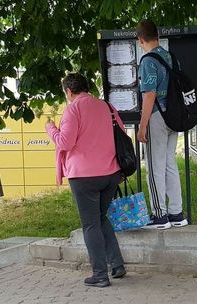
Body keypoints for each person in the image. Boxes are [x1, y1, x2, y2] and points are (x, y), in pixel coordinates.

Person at [45, 73, 126, 287]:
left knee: (90, 225)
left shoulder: (74, 109)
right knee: (100, 218)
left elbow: (65, 142)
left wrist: (50, 128)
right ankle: (117, 264)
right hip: (111, 173)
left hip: (84, 176)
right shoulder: (106, 106)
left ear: (69, 91)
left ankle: (100, 275)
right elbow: (122, 131)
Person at [136, 19, 188, 229]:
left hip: (156, 116)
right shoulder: (171, 57)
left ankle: (159, 215)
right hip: (173, 116)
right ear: (157, 36)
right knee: (169, 164)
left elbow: (150, 95)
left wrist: (142, 125)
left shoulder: (148, 61)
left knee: (154, 167)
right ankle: (177, 213)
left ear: (141, 39)